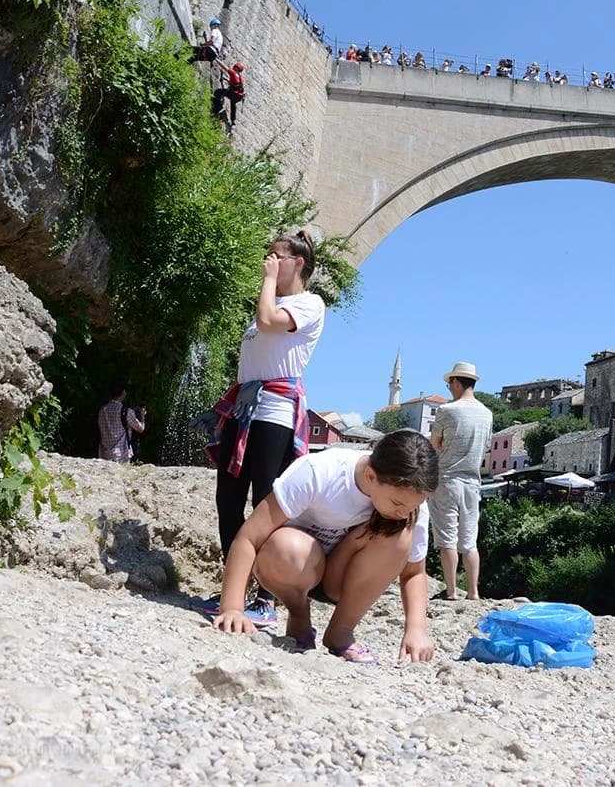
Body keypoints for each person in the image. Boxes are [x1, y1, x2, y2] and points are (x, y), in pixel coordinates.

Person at [212, 430, 439, 664]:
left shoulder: (410, 507)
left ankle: (341, 631)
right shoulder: (320, 472)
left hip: (342, 581)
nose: (404, 511)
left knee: (400, 537)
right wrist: (232, 609)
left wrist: (416, 629)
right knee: (287, 547)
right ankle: (299, 615)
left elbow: (413, 573)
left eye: (414, 505)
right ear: (371, 476)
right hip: (290, 567)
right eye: (397, 503)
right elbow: (249, 537)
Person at [194, 230, 326, 627]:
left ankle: (266, 598)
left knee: (266, 504)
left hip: (274, 414)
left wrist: (268, 281)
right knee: (228, 498)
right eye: (268, 256)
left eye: (276, 256)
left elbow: (268, 321)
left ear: (297, 263)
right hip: (244, 408)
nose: (268, 261)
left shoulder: (309, 303)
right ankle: (233, 587)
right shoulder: (271, 301)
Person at [429, 362, 493, 601]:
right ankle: (474, 592)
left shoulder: (447, 411)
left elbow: (435, 445)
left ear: (456, 382)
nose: (449, 388)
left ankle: (452, 590)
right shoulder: (487, 413)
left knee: (447, 538)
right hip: (473, 482)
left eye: (449, 384)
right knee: (469, 541)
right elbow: (486, 446)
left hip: (447, 478)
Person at [97, 381, 145, 464]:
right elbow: (140, 429)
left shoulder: (102, 410)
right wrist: (142, 415)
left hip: (104, 454)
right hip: (120, 455)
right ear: (123, 392)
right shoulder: (126, 411)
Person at [211, 61, 246, 131]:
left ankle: (217, 108)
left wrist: (216, 59)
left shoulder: (233, 72)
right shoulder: (241, 78)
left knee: (217, 92)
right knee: (233, 104)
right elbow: (236, 85)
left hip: (232, 93)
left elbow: (224, 67)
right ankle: (233, 121)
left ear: (235, 67)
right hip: (238, 96)